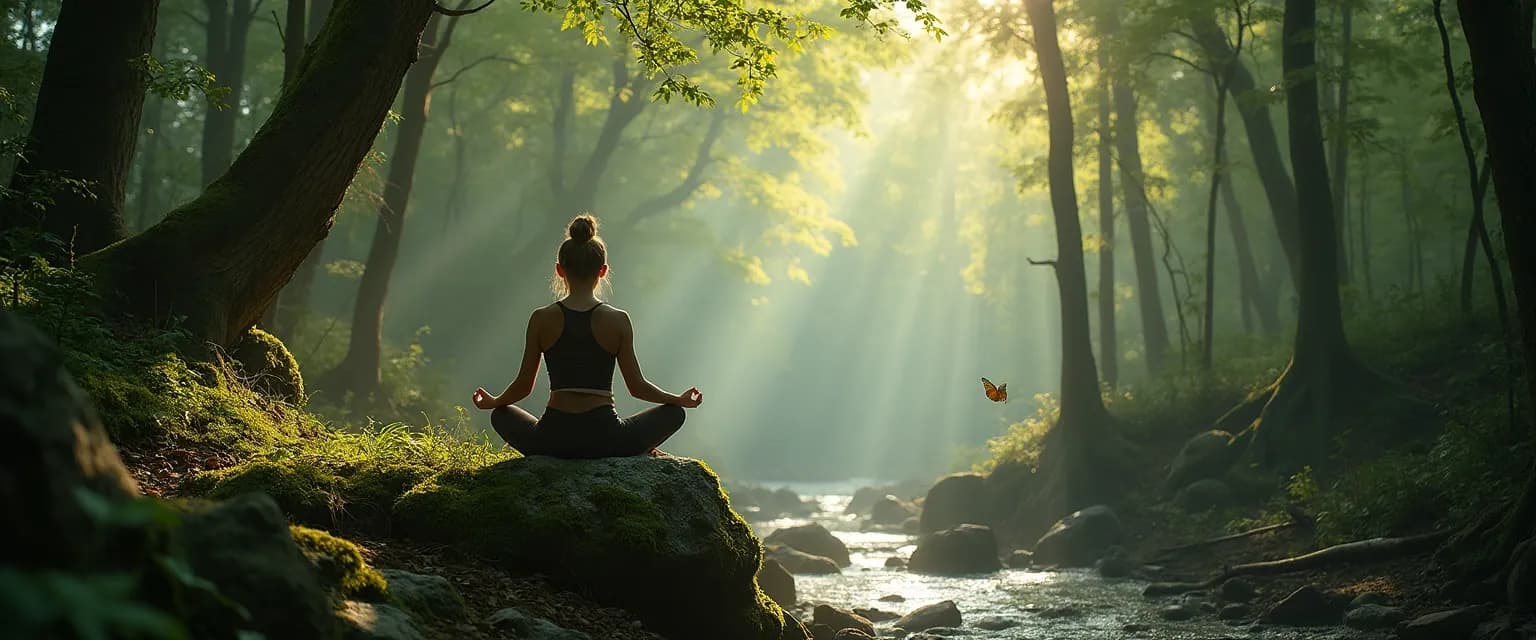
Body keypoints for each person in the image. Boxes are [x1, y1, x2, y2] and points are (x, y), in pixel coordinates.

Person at [471, 214, 702, 458]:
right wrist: (677, 399)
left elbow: (523, 386)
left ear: (560, 270)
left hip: (552, 438)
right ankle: (644, 450)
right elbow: (637, 387)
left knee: (501, 415)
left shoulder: (541, 318)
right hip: (606, 439)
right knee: (675, 413)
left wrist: (494, 402)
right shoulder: (618, 320)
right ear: (602, 271)